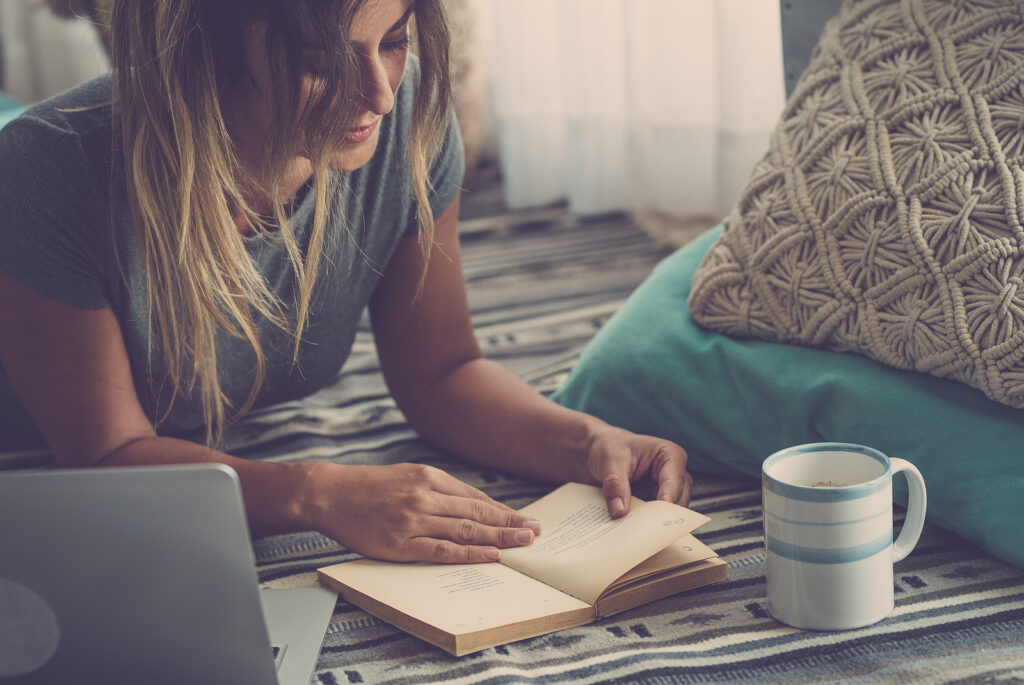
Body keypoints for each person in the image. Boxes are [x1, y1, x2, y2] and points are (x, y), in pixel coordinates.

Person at [0, 0, 692, 564]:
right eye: (322, 61)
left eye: (393, 40)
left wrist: (588, 443)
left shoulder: (407, 119)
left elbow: (442, 371)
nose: (381, 95)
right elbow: (107, 457)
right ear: (207, 48)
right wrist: (316, 490)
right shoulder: (47, 171)